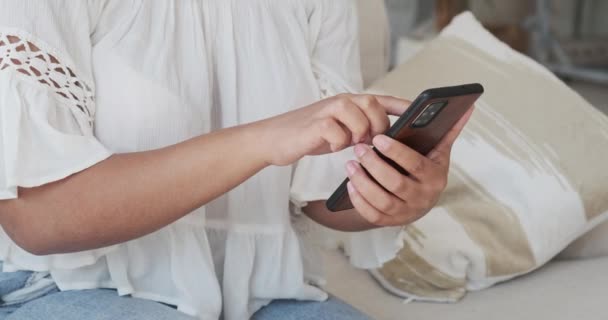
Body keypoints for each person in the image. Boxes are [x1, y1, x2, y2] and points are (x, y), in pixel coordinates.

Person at [0, 1, 472, 319]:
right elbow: (41, 219)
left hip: (263, 291)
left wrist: (394, 194)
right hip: (70, 284)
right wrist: (262, 140)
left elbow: (318, 198)